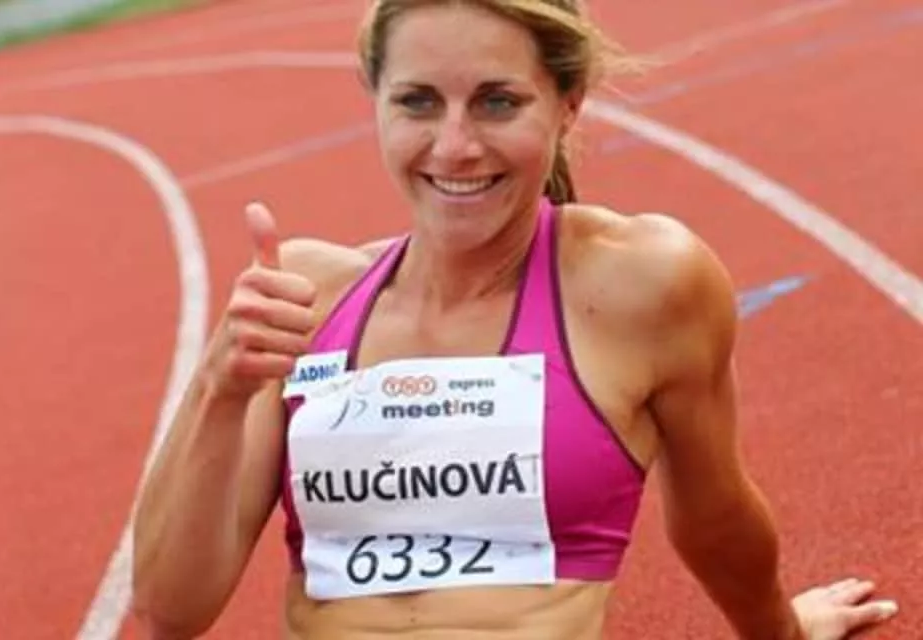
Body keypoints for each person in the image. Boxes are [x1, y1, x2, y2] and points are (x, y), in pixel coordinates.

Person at [131, 1, 900, 638]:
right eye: (417, 101)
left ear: (569, 104)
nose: (455, 146)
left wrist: (779, 632)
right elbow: (171, 608)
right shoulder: (302, 295)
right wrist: (220, 387)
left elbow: (716, 515)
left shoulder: (640, 283)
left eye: (498, 101)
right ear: (375, 100)